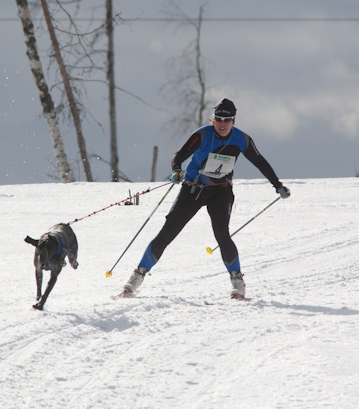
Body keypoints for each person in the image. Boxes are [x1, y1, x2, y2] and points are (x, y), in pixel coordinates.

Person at [122, 98, 290, 299]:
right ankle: (137, 276)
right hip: (193, 190)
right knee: (167, 233)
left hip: (221, 192)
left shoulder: (241, 139)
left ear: (233, 121)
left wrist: (277, 185)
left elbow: (259, 161)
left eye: (226, 120)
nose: (221, 124)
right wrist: (177, 170)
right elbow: (179, 155)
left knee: (222, 234)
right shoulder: (203, 134)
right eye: (218, 119)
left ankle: (237, 281)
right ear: (213, 119)